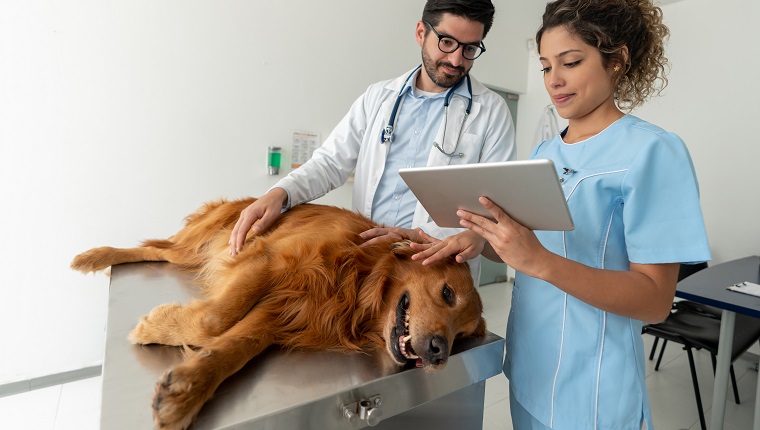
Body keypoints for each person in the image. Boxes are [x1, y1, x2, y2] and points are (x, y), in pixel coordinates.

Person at [412, 0, 711, 428]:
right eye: (546, 67)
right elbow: (529, 254)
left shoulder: (653, 152)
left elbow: (655, 301)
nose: (555, 81)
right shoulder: (545, 154)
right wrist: (480, 241)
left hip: (593, 392)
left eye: (570, 62)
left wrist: (540, 261)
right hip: (529, 372)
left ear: (618, 60)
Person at [229, 0, 516, 282]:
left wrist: (421, 236)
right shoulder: (378, 97)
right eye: (447, 42)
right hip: (366, 257)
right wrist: (280, 193)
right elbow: (330, 162)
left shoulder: (490, 111)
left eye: (469, 48)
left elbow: (495, 209)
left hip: (434, 266)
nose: (456, 60)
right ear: (421, 33)